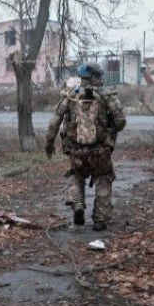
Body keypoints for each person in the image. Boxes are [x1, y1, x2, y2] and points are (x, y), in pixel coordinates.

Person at [45, 62, 126, 231]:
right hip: (100, 150)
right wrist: (108, 127)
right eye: (100, 76)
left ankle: (78, 204)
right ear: (95, 77)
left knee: (76, 176)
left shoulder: (70, 95)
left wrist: (49, 142)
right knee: (103, 180)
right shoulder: (106, 95)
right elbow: (121, 122)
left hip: (76, 150)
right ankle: (99, 220)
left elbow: (55, 121)